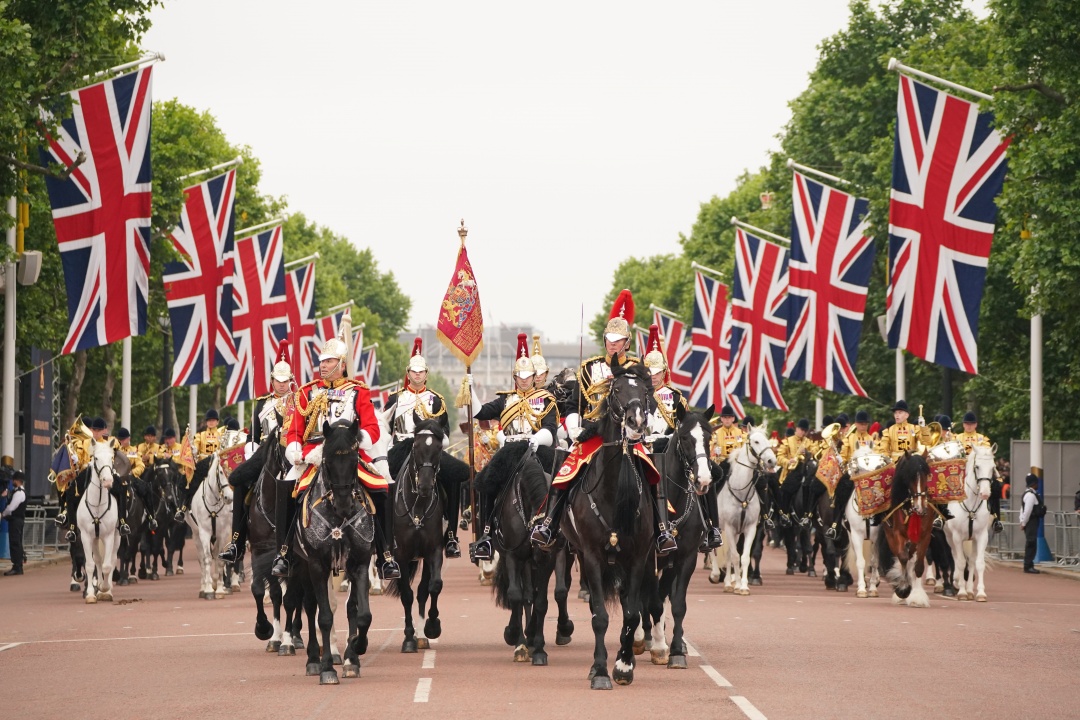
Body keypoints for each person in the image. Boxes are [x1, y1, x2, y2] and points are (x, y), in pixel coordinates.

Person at [529, 289, 679, 555]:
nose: (613, 344)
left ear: (627, 342)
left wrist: (647, 424)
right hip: (593, 435)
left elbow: (651, 402)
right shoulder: (588, 368)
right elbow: (575, 403)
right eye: (609, 339)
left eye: (618, 340)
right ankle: (549, 522)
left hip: (629, 434)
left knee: (653, 471)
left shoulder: (638, 368)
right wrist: (574, 424)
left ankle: (663, 530)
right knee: (565, 468)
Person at [276, 331, 398, 579]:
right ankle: (284, 553)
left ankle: (385, 554)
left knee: (382, 488)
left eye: (329, 361)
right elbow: (294, 429)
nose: (323, 366)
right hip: (312, 456)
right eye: (321, 361)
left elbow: (373, 429)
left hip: (347, 454)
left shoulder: (358, 392)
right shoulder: (307, 392)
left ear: (342, 365)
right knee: (285, 487)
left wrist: (354, 441)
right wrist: (294, 450)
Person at [468, 333, 559, 561]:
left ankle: (558, 527)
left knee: (562, 478)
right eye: (521, 376)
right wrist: (470, 390)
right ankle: (486, 535)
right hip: (510, 450)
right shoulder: (504, 400)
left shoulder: (546, 399)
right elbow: (480, 413)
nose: (525, 380)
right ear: (515, 377)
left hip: (536, 448)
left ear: (534, 376)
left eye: (529, 376)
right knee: (486, 481)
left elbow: (550, 429)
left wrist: (537, 440)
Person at [640, 324, 718, 549]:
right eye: (649, 373)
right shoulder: (637, 394)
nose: (653, 377)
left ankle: (711, 526)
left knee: (710, 472)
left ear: (664, 372)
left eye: (656, 373)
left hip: (669, 448)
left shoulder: (675, 397)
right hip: (642, 448)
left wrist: (667, 438)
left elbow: (685, 427)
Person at [384, 338, 462, 558]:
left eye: (421, 372)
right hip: (401, 448)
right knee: (382, 482)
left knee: (454, 476)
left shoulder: (436, 400)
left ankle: (451, 535)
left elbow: (444, 430)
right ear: (408, 373)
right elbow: (385, 428)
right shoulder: (395, 399)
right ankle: (383, 536)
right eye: (413, 372)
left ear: (426, 374)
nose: (417, 376)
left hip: (428, 451)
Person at [220, 344, 295, 564]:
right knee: (239, 480)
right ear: (272, 381)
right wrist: (252, 451)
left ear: (290, 380)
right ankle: (237, 542)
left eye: (285, 381)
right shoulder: (262, 403)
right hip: (264, 453)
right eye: (278, 381)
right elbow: (253, 435)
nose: (281, 385)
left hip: (291, 452)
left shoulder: (299, 401)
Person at [956, 411, 1002, 533]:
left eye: (971, 423)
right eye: (966, 423)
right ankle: (942, 517)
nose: (969, 426)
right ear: (963, 425)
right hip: (961, 471)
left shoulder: (982, 439)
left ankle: (996, 518)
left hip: (979, 472)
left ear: (975, 425)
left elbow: (987, 453)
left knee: (996, 486)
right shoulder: (957, 438)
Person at [775, 418, 817, 527]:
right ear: (796, 429)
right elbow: (779, 457)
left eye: (805, 430)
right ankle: (784, 513)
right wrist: (788, 461)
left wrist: (807, 452)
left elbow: (816, 453)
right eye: (801, 429)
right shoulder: (788, 441)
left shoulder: (808, 442)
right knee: (787, 487)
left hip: (806, 470)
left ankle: (809, 514)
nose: (802, 432)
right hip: (791, 471)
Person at [2, 470, 26, 575]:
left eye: (13, 479)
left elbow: (11, 507)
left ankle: (17, 566)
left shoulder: (19, 493)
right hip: (16, 520)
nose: (12, 481)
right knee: (16, 542)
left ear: (17, 481)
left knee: (15, 542)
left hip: (16, 520)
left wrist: (3, 514)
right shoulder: (17, 491)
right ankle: (18, 564)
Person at [1020, 473, 1043, 574]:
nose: (1037, 484)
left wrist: (1022, 521)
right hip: (1031, 521)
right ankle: (1028, 565)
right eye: (1036, 482)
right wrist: (1024, 522)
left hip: (1029, 521)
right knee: (1031, 543)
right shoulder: (1030, 495)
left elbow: (1023, 509)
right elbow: (1027, 510)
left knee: (1031, 542)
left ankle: (1029, 564)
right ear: (1033, 483)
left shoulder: (1028, 493)